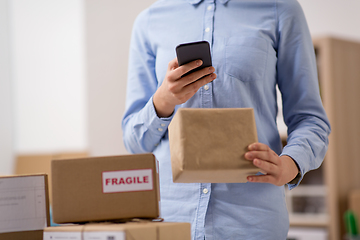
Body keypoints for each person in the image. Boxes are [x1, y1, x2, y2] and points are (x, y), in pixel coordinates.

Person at [122, 0, 331, 239]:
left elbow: (310, 119)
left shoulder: (280, 9)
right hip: (169, 219)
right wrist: (164, 100)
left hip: (251, 222)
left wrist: (290, 165)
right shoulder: (149, 20)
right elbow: (134, 142)